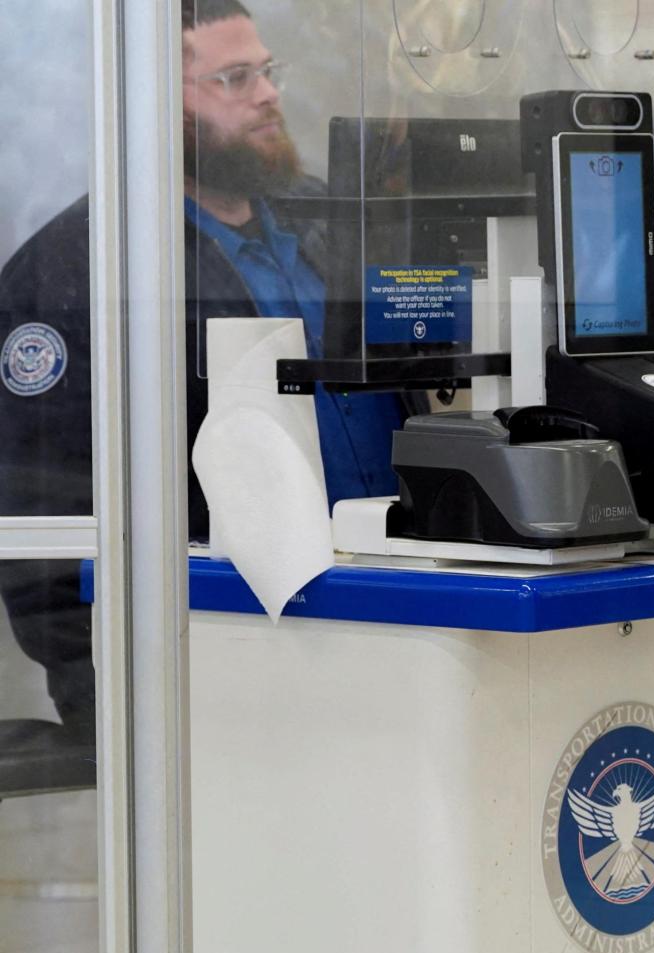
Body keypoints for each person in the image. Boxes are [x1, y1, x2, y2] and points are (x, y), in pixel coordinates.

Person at [0, 0, 409, 753]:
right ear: (158, 101)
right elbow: (47, 515)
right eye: (234, 78)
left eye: (267, 71)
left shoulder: (330, 221)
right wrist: (115, 704)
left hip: (406, 627)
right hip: (225, 654)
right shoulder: (80, 270)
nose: (268, 94)